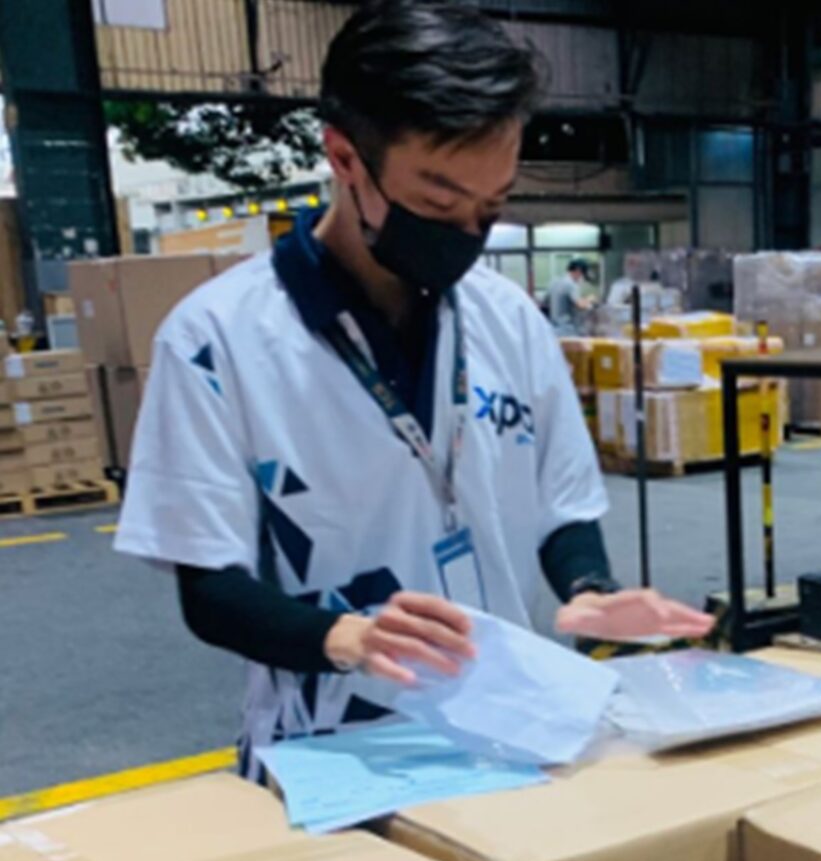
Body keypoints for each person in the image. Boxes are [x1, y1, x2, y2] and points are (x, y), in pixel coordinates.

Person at [115, 0, 713, 781]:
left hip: (510, 735)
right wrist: (346, 638)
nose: (465, 232)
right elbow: (211, 588)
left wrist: (590, 591)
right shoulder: (216, 341)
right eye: (437, 204)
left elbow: (563, 508)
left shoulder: (509, 320)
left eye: (491, 207)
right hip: (330, 755)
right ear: (344, 157)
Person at [547, 258, 591, 336]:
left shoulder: (555, 282)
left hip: (554, 327)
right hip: (567, 328)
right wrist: (589, 300)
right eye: (583, 275)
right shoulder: (571, 284)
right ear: (578, 271)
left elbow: (545, 301)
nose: (582, 278)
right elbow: (580, 305)